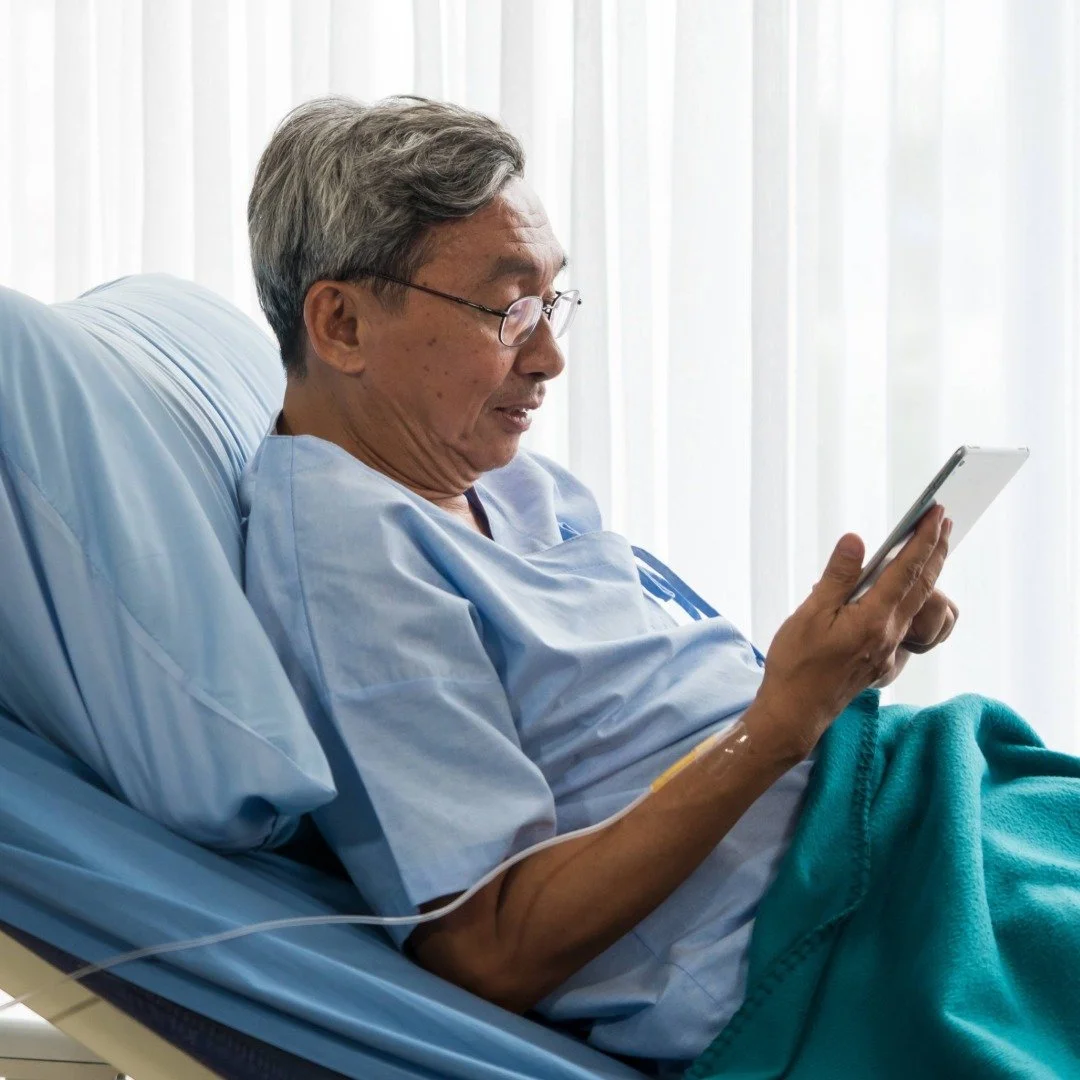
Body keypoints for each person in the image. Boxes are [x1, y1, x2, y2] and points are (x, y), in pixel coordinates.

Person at [239, 95, 958, 1072]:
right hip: (824, 939)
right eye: (508, 309)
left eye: (552, 301)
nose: (549, 357)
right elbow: (490, 945)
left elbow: (673, 714)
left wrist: (846, 664)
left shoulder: (505, 480)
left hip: (883, 805)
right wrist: (782, 721)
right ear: (343, 321)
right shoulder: (345, 559)